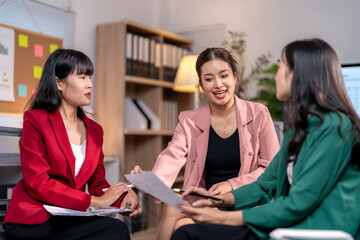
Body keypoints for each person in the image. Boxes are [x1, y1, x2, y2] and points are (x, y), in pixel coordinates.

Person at [171, 38, 360, 240]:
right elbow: (264, 185)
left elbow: (298, 203)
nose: (275, 77)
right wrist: (214, 200)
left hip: (313, 230)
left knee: (188, 234)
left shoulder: (335, 127)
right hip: (288, 224)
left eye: (279, 68)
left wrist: (223, 218)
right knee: (186, 231)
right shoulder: (298, 128)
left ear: (299, 74)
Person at [132, 47, 280, 240]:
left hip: (244, 200)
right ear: (201, 85)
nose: (218, 84)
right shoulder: (189, 120)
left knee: (177, 217)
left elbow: (271, 170)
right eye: (209, 79)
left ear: (235, 77)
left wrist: (231, 184)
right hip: (206, 199)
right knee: (178, 220)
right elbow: (172, 155)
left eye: (224, 75)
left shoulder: (258, 113)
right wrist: (150, 181)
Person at [3, 49, 141, 240]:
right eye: (82, 77)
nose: (90, 84)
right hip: (35, 217)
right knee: (114, 231)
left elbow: (98, 183)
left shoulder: (95, 130)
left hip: (68, 215)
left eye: (90, 77)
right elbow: (37, 184)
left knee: (116, 228)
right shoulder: (35, 120)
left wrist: (122, 198)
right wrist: (98, 201)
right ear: (58, 82)